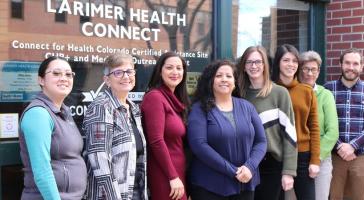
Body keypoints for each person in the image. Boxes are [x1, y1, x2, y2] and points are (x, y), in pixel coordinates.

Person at [187, 60, 267, 200]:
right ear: (210, 80)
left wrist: (250, 167)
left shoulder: (247, 107)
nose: (224, 79)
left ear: (235, 82)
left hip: (245, 182)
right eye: (219, 76)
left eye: (229, 76)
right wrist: (233, 171)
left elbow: (261, 141)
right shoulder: (199, 109)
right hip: (210, 186)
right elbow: (199, 146)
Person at [19, 56, 87, 200]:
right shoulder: (38, 113)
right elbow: (42, 171)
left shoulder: (64, 112)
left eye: (68, 74)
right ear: (41, 80)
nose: (64, 78)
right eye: (56, 73)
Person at [83, 53, 147, 200]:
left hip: (133, 191)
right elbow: (99, 160)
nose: (126, 76)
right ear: (107, 80)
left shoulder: (133, 109)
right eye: (118, 72)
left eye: (129, 71)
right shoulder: (101, 107)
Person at [237, 46, 297, 200]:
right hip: (244, 163)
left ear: (265, 65)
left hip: (271, 164)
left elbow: (289, 134)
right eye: (249, 62)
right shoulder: (238, 95)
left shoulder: (279, 93)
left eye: (258, 62)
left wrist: (288, 172)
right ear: (243, 66)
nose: (254, 66)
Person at [324, 48, 364, 200]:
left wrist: (352, 146)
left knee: (360, 197)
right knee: (333, 196)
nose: (351, 67)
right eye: (347, 63)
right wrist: (340, 147)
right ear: (340, 64)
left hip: (362, 155)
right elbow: (322, 123)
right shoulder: (328, 89)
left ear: (362, 67)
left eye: (355, 64)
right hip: (334, 154)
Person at [272, 44, 320, 200]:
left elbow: (314, 127)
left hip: (302, 156)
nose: (290, 64)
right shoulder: (268, 90)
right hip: (275, 156)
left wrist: (314, 160)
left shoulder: (306, 91)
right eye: (286, 60)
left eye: (294, 60)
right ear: (278, 62)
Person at [141, 52, 190, 200]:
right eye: (169, 67)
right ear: (160, 71)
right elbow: (156, 140)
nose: (175, 72)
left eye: (179, 68)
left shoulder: (175, 100)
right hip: (165, 174)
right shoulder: (155, 97)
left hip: (177, 173)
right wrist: (172, 176)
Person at [298, 51, 339, 200]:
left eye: (313, 69)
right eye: (306, 68)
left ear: (318, 71)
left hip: (321, 159)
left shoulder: (325, 94)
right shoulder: (292, 92)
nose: (309, 73)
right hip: (296, 158)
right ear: (299, 69)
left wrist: (316, 157)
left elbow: (332, 132)